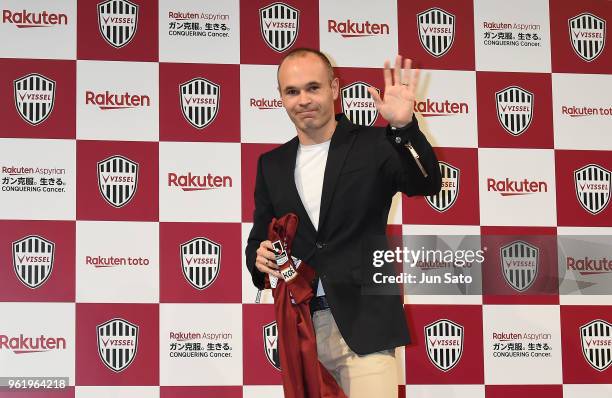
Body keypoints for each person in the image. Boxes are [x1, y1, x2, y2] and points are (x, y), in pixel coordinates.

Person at [245, 48, 441, 398]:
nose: (303, 99)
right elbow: (259, 242)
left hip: (367, 325)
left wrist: (403, 127)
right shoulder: (271, 165)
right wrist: (260, 261)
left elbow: (426, 183)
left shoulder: (374, 145)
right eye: (292, 91)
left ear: (334, 89)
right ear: (281, 98)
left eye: (313, 87)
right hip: (301, 332)